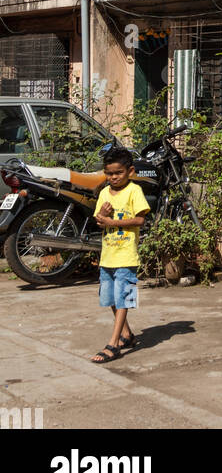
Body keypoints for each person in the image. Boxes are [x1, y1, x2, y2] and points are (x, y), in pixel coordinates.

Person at [90, 147, 150, 364]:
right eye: (109, 173)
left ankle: (113, 344)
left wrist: (112, 222)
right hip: (108, 257)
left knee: (124, 299)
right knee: (109, 299)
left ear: (130, 171)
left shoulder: (134, 191)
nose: (113, 177)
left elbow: (140, 220)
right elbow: (98, 220)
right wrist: (102, 215)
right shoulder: (105, 193)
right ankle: (127, 335)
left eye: (118, 173)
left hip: (127, 257)